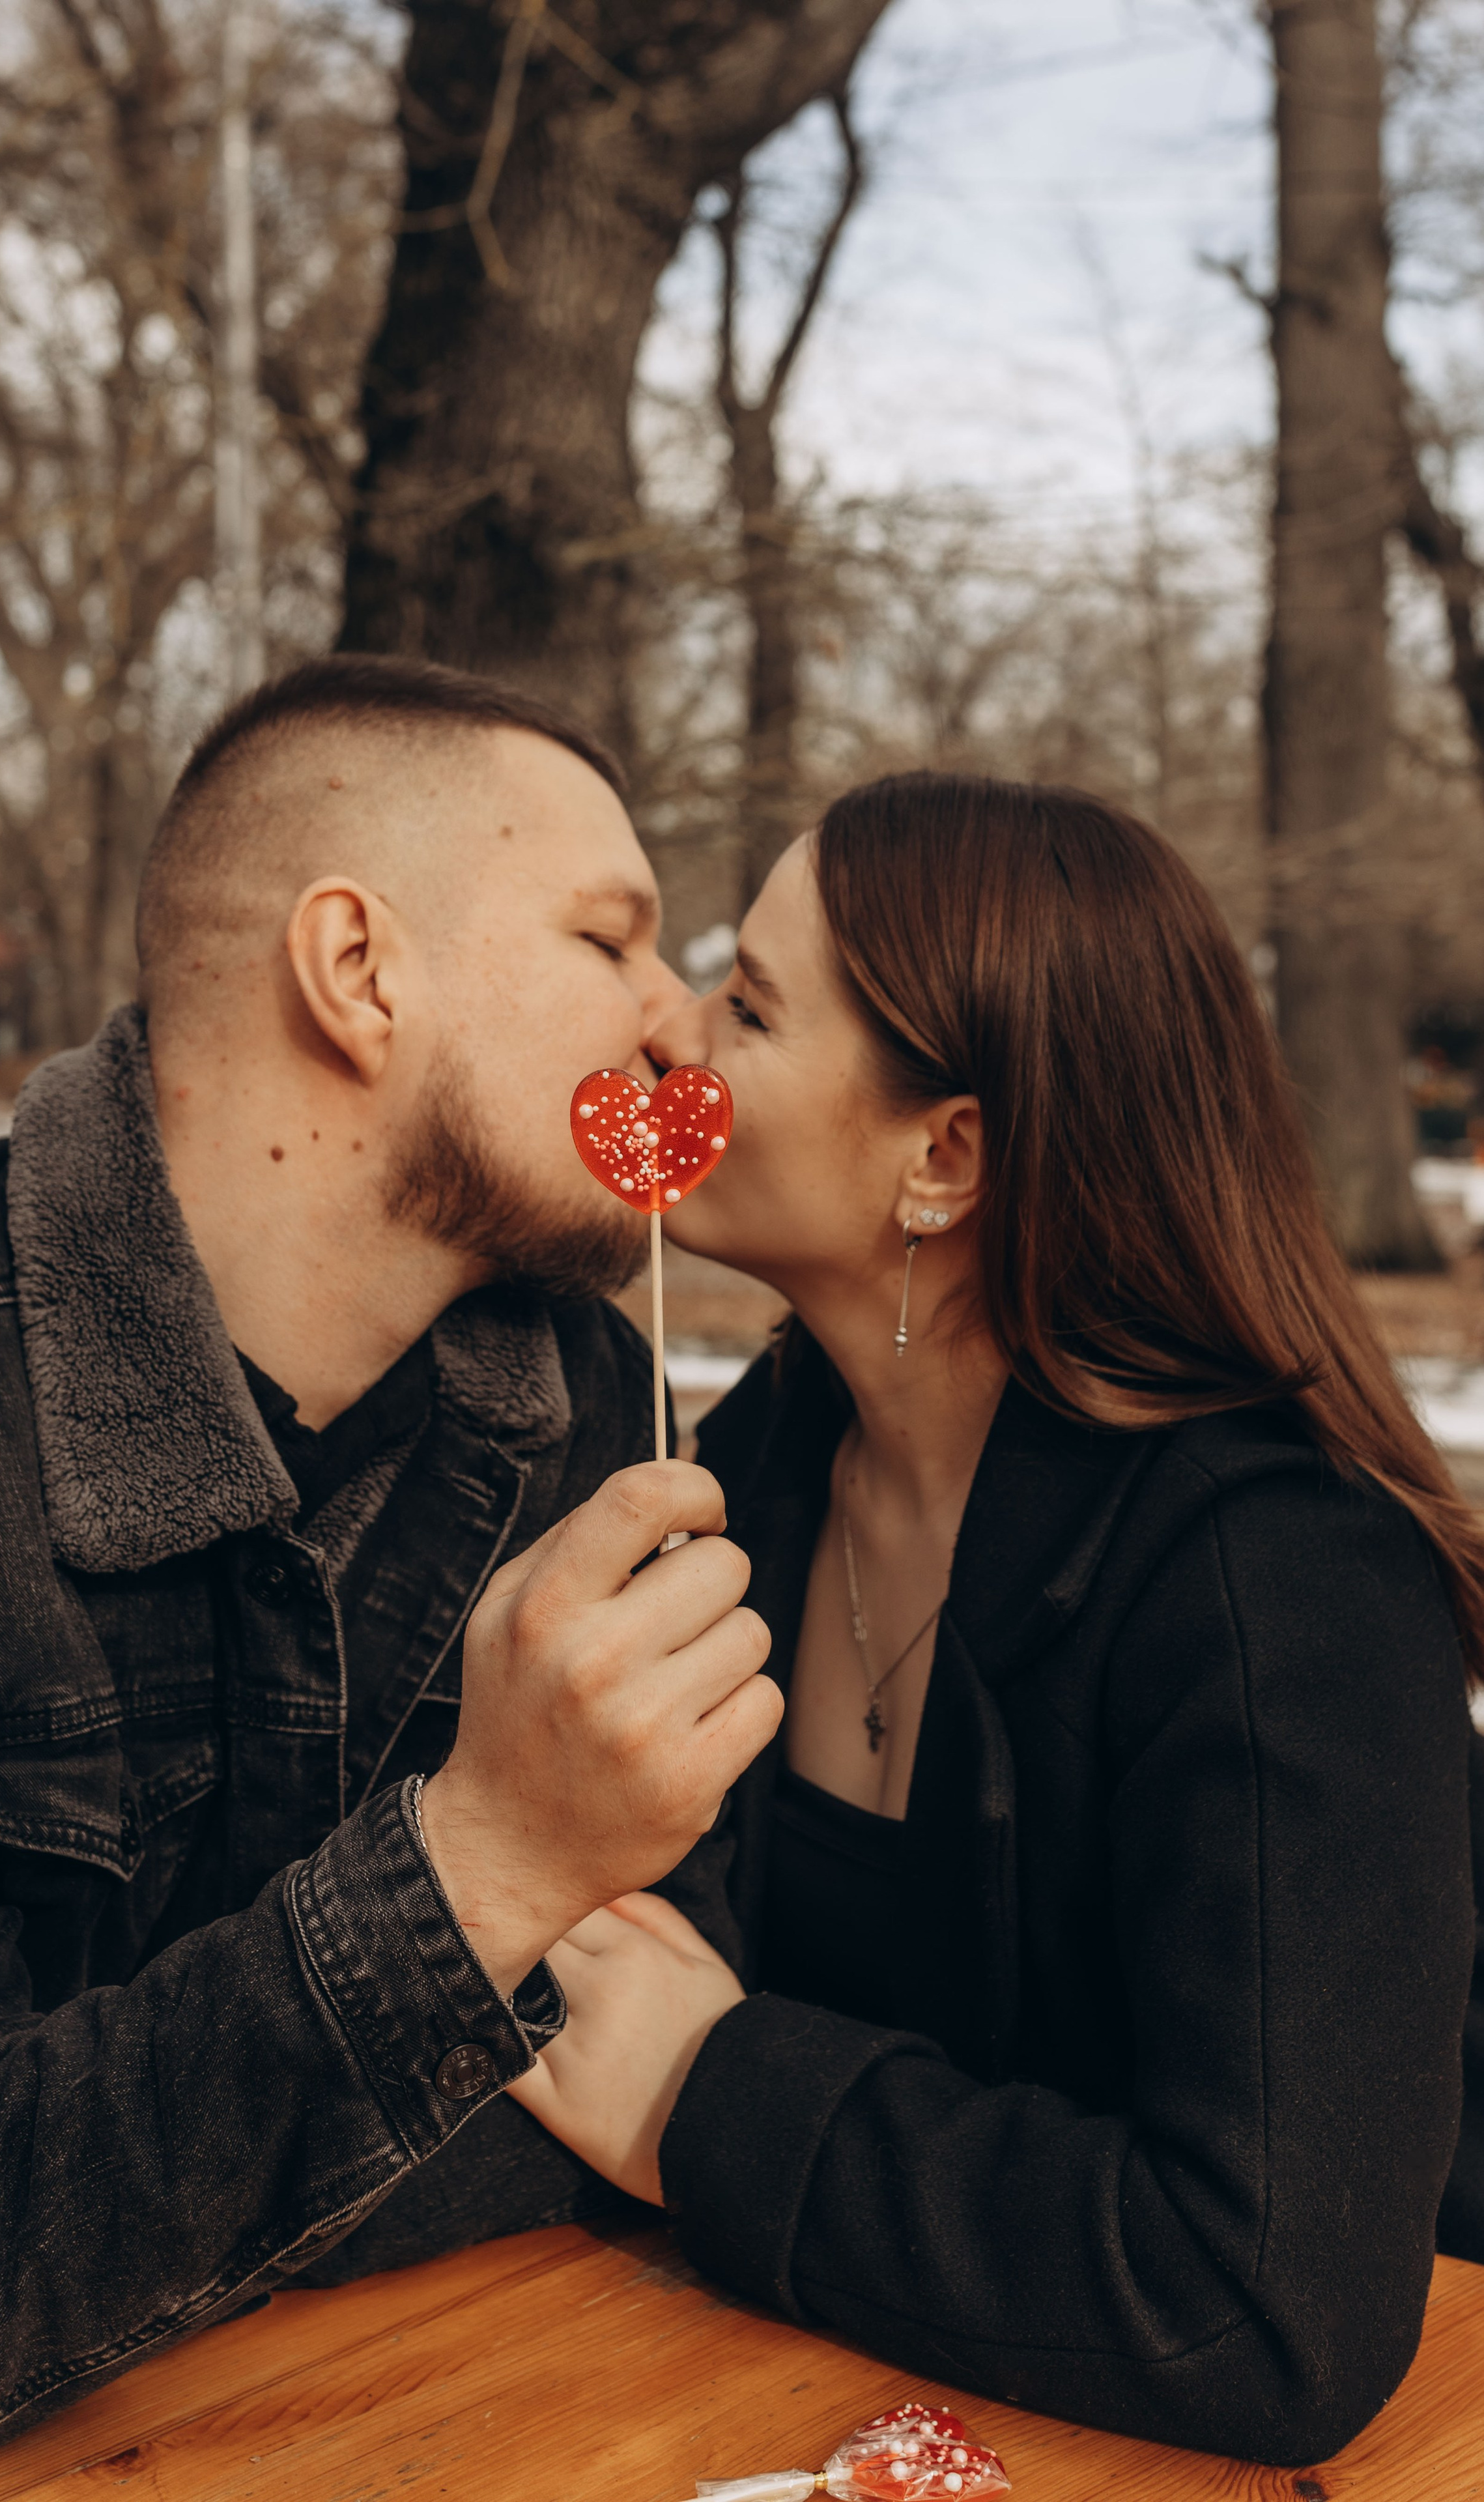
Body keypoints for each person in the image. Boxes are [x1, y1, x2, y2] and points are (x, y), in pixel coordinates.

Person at [0, 655, 778, 2469]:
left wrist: (105, 2171)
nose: (681, 1025)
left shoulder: (592, 1402)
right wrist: (486, 1865)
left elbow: (681, 2019)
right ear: (357, 972)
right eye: (611, 941)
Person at [511, 771, 1484, 2469]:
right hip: (869, 2402)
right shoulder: (753, 1469)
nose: (665, 1023)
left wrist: (707, 2098)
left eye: (750, 1004)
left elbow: (1269, 2308)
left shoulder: (1279, 1592)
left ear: (943, 1157)